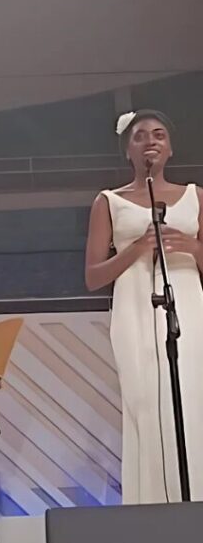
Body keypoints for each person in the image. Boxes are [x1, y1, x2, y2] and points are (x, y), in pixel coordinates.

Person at [85, 109, 203, 504]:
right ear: (128, 150)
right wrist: (136, 248)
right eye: (140, 136)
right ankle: (151, 508)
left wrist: (194, 247)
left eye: (159, 135)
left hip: (185, 303)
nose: (151, 141)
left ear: (170, 148)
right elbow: (93, 276)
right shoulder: (109, 202)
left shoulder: (194, 196)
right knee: (147, 406)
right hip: (134, 307)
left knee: (190, 400)